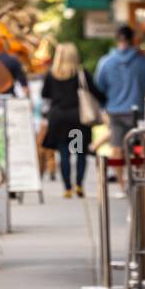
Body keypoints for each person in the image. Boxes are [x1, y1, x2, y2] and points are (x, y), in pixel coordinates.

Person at [40, 43, 104, 198]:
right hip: (77, 119)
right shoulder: (81, 74)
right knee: (80, 152)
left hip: (58, 119)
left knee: (64, 153)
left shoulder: (51, 74)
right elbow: (96, 93)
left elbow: (45, 95)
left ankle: (67, 188)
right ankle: (79, 185)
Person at [94, 25, 145, 152]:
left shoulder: (105, 62)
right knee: (142, 146)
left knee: (117, 147)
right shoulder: (144, 61)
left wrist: (104, 106)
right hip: (139, 110)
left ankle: (119, 173)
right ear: (133, 39)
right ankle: (139, 172)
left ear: (116, 40)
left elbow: (99, 88)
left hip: (115, 111)